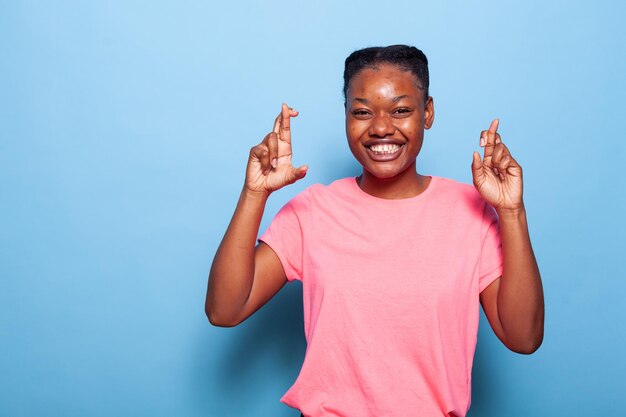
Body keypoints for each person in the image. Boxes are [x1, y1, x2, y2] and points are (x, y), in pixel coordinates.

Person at [205, 45, 544, 417]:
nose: (381, 127)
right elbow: (225, 310)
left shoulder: (471, 213)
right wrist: (254, 193)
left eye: (401, 110)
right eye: (362, 112)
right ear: (346, 116)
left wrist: (512, 212)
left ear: (427, 113)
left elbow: (523, 338)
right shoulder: (313, 212)